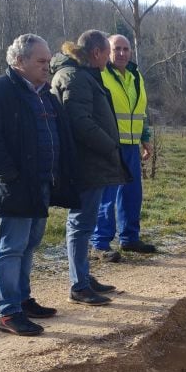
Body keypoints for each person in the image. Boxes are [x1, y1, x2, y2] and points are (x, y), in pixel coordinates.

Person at [0, 33, 80, 336]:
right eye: (41, 61)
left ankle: (22, 299)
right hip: (15, 186)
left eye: (48, 61)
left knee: (29, 245)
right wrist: (9, 176)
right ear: (20, 61)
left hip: (41, 184)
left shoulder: (44, 94)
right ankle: (9, 313)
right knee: (11, 247)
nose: (48, 66)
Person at [49, 29, 130, 305]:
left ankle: (83, 276)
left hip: (91, 162)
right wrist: (109, 145)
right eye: (108, 52)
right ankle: (78, 285)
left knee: (86, 222)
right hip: (85, 163)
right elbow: (80, 122)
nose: (110, 58)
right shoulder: (75, 77)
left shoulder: (82, 75)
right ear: (96, 53)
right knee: (80, 224)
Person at [91, 33, 156, 261]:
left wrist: (145, 137)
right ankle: (100, 244)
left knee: (132, 194)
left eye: (125, 49)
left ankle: (130, 239)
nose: (121, 53)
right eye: (116, 49)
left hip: (131, 146)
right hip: (109, 146)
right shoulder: (99, 74)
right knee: (106, 196)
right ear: (107, 51)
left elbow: (141, 110)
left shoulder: (135, 75)